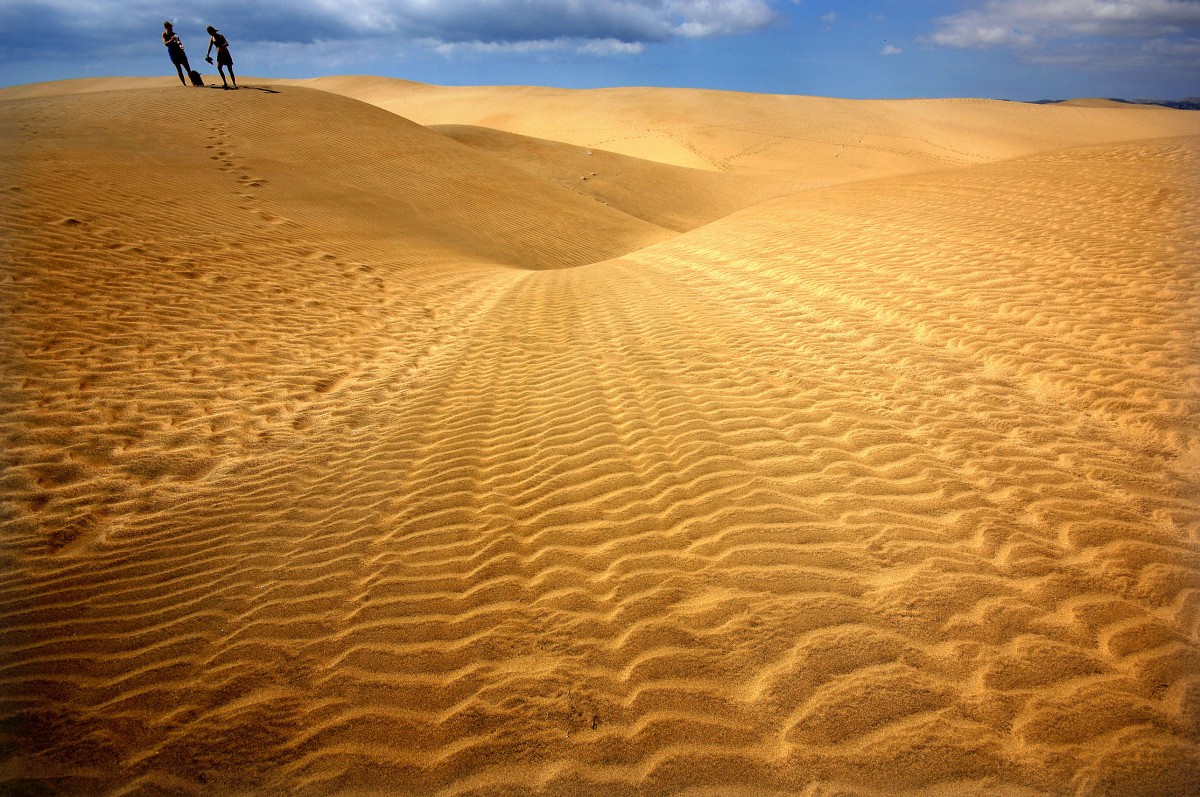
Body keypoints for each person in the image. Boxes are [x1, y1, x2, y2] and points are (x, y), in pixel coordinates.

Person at [205, 25, 237, 90]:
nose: (210, 34)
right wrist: (207, 54)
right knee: (219, 68)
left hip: (225, 53)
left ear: (213, 31)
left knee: (230, 69)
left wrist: (222, 46)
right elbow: (210, 46)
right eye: (209, 33)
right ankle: (225, 82)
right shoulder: (212, 38)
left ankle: (234, 83)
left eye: (210, 32)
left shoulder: (220, 35)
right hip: (219, 55)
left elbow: (227, 43)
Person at [162, 21, 193, 86]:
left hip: (180, 52)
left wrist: (181, 46)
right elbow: (165, 44)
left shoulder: (175, 34)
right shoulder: (164, 34)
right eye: (170, 28)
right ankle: (184, 84)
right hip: (173, 53)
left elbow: (178, 42)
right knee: (179, 70)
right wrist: (171, 39)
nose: (171, 29)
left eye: (171, 28)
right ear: (166, 28)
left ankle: (193, 81)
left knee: (188, 69)